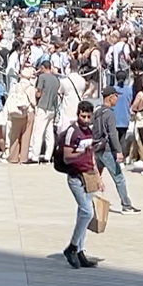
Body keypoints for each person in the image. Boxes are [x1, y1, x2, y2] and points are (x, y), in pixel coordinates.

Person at [58, 101, 104, 268]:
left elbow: (91, 156)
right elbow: (67, 156)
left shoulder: (89, 131)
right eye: (82, 116)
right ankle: (72, 246)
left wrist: (98, 177)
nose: (85, 119)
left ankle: (79, 250)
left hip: (88, 175)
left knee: (82, 214)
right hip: (75, 176)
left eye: (88, 116)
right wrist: (82, 151)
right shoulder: (73, 131)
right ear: (77, 115)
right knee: (87, 211)